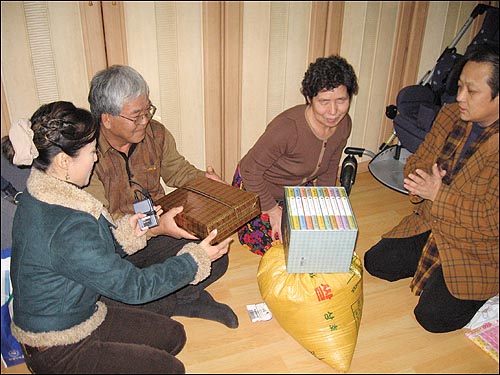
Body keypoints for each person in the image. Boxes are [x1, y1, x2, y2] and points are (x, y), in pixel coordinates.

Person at [2, 101, 232, 373]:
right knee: (171, 369)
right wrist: (195, 261)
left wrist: (131, 233)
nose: (96, 158)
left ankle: (185, 301)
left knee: (174, 337)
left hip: (82, 311)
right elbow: (134, 287)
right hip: (56, 348)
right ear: (64, 161)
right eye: (91, 152)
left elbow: (83, 255)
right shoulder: (67, 223)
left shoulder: (43, 193)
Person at [85, 65, 239, 328]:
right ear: (107, 118)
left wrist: (207, 182)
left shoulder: (155, 134)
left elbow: (178, 171)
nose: (145, 121)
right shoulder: (87, 155)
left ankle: (184, 299)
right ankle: (170, 300)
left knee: (217, 253)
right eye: (136, 116)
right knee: (111, 297)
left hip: (159, 228)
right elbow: (108, 226)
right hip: (119, 247)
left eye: (148, 111)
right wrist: (154, 227)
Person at [364, 44, 499, 333]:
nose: (460, 97)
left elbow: (493, 220)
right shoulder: (450, 115)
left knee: (432, 318)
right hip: (433, 221)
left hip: (479, 247)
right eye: (460, 86)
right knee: (375, 263)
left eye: (472, 91)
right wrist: (418, 179)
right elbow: (419, 159)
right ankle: (438, 265)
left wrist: (438, 194)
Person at [233, 55, 359, 255]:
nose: (333, 111)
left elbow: (329, 166)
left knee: (319, 238)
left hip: (297, 187)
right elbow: (249, 169)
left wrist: (324, 205)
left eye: (341, 100)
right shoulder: (287, 128)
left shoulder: (344, 125)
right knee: (284, 246)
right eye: (324, 102)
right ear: (309, 98)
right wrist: (271, 209)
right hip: (257, 187)